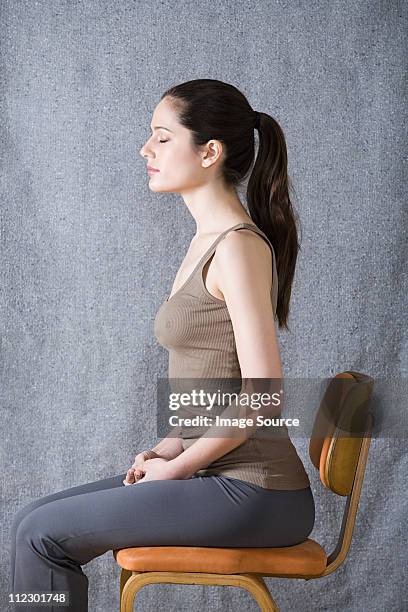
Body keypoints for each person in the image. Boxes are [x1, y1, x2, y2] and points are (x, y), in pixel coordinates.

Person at [10, 79, 315, 612]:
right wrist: (169, 448)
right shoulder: (205, 242)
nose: (145, 150)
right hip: (214, 475)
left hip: (257, 492)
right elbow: (215, 387)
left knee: (44, 537)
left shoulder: (238, 249)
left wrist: (177, 469)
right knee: (29, 521)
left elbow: (264, 397)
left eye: (162, 138)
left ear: (209, 152)